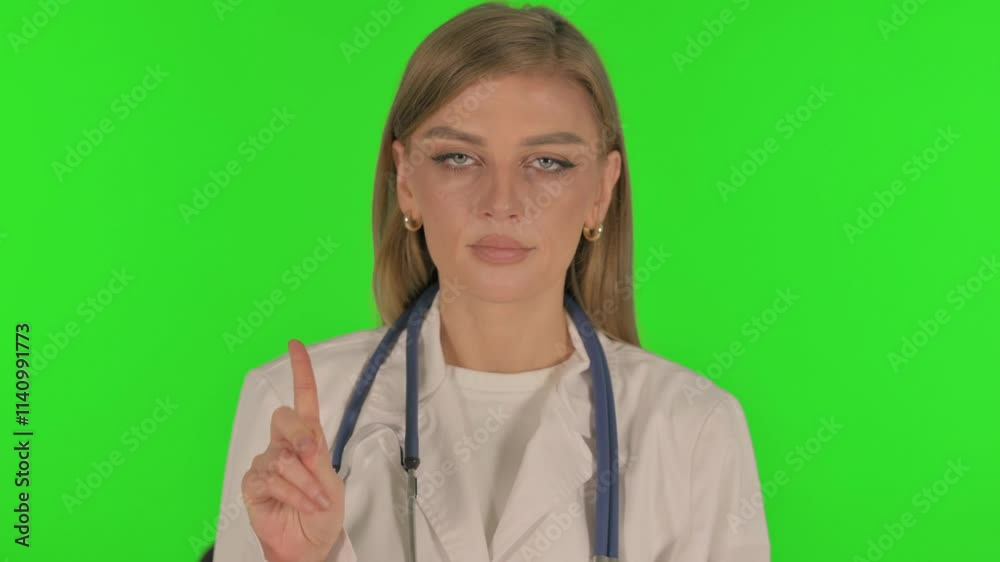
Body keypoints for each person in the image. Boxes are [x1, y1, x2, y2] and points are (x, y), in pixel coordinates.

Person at [212, 3, 770, 561]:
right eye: (459, 157)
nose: (502, 203)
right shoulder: (290, 412)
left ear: (602, 191)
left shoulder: (695, 428)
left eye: (548, 163)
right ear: (406, 182)